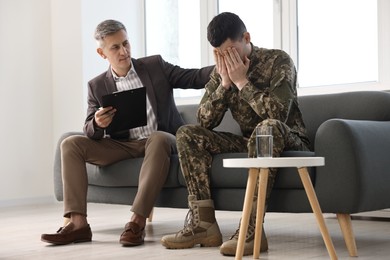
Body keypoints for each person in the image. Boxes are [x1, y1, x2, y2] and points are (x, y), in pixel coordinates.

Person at [41, 19, 213, 247]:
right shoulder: (97, 85)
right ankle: (78, 224)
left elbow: (193, 77)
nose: (124, 51)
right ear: (102, 53)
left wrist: (223, 64)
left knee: (158, 138)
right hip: (122, 145)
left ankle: (136, 222)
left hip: (160, 139)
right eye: (115, 47)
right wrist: (98, 122)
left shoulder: (154, 66)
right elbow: (89, 130)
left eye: (126, 43)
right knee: (70, 144)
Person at [161, 12, 310, 256]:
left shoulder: (278, 60)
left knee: (267, 128)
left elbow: (278, 115)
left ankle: (251, 230)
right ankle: (203, 225)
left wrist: (242, 83)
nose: (226, 59)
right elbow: (203, 121)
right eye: (219, 54)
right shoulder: (222, 72)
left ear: (246, 38)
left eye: (230, 51)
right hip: (250, 143)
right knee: (188, 133)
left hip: (289, 140)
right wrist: (224, 85)